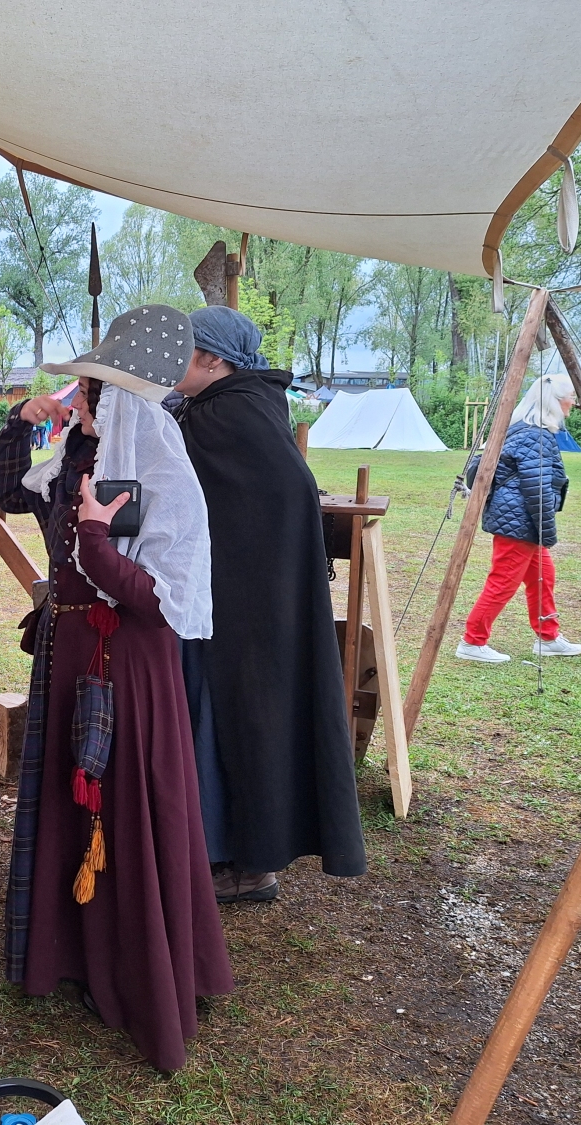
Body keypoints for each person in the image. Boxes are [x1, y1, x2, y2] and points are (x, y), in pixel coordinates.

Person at [0, 306, 232, 1071]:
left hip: (126, 667)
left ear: (124, 399)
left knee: (124, 811)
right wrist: (16, 426)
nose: (82, 404)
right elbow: (12, 493)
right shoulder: (80, 459)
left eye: (94, 392)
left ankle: (135, 972)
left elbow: (159, 600)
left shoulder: (160, 471)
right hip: (71, 655)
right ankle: (71, 953)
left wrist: (96, 538)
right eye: (83, 392)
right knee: (72, 806)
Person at [169, 304, 365, 903]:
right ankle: (239, 857)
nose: (172, 361)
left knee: (248, 725)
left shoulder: (228, 414)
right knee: (239, 723)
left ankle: (250, 865)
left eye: (183, 350)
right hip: (245, 601)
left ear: (211, 359)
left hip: (248, 609)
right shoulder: (237, 404)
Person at [458, 372, 581, 663]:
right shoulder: (535, 436)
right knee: (503, 582)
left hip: (519, 520)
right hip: (519, 522)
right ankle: (472, 642)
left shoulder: (525, 430)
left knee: (543, 576)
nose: (573, 404)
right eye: (570, 398)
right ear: (555, 401)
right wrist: (547, 532)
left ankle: (548, 637)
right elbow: (537, 489)